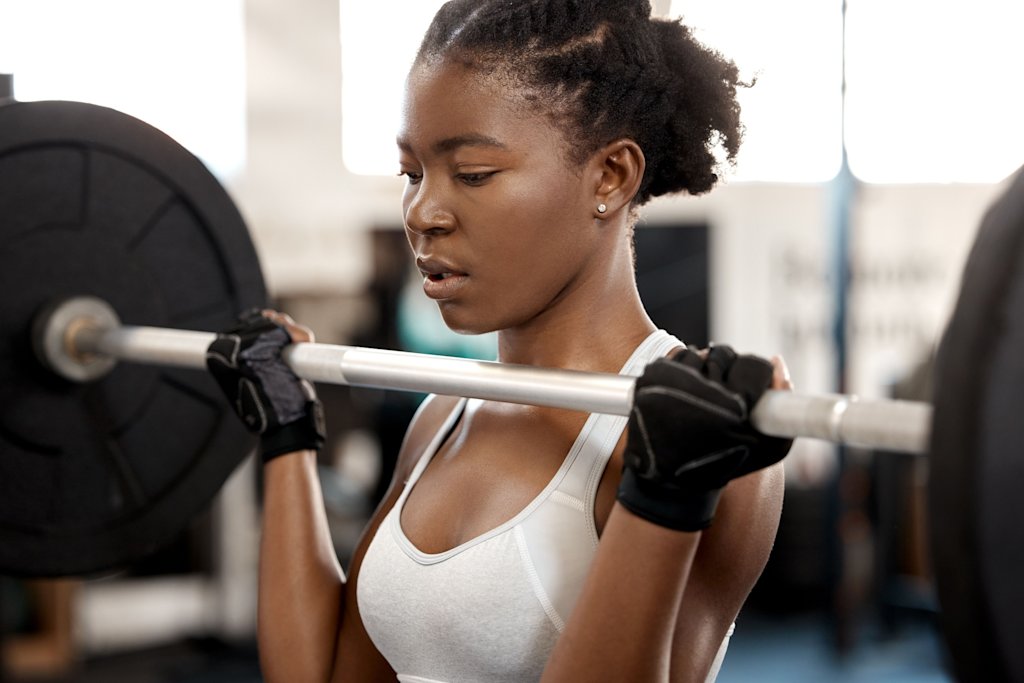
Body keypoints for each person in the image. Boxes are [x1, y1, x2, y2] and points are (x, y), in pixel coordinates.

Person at [205, 1, 794, 681]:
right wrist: (287, 438)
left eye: (473, 174)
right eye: (412, 173)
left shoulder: (705, 447)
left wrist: (666, 498)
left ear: (610, 176)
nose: (422, 212)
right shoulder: (440, 418)